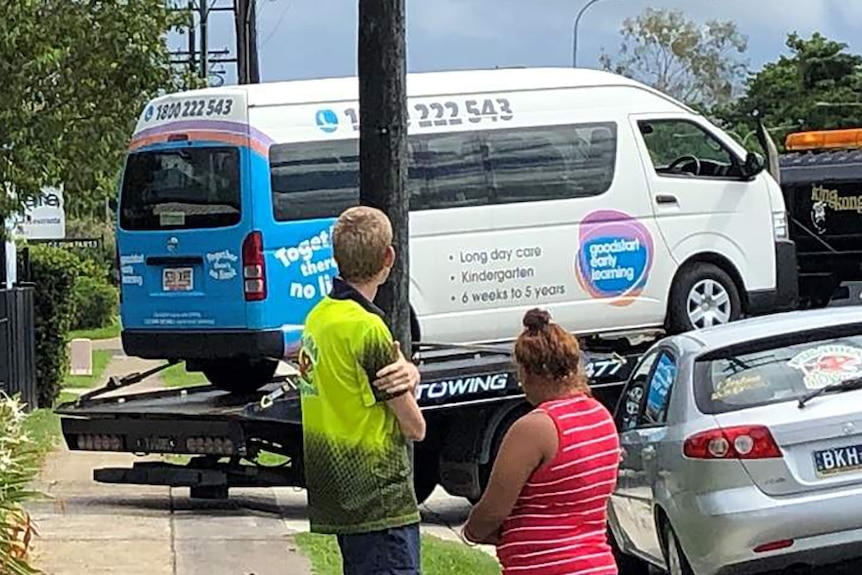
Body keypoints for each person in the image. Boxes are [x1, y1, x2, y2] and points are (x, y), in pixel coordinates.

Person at [297, 205, 427, 575]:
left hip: (340, 497)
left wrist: (409, 374)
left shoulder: (318, 319)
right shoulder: (368, 330)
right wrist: (410, 379)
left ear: (336, 258)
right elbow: (414, 427)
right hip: (380, 500)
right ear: (389, 257)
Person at [462, 308, 621, 575]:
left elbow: (494, 509)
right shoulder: (600, 416)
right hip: (597, 564)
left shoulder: (534, 428)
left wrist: (471, 531)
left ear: (531, 372)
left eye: (521, 373)